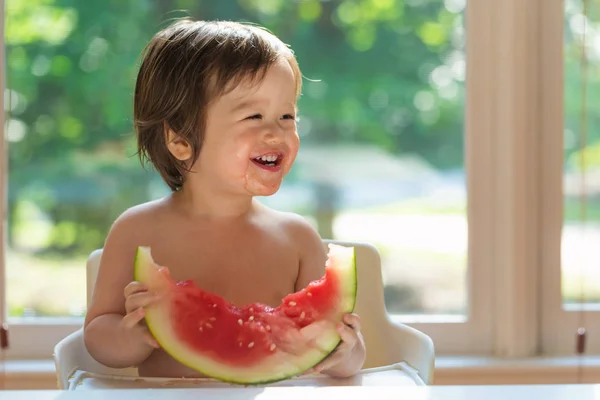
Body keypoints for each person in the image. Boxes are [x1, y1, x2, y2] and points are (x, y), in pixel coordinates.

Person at [83, 18, 366, 379]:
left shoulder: (297, 239)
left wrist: (345, 352)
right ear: (181, 140)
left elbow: (344, 356)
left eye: (286, 115)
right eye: (253, 116)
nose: (275, 131)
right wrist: (131, 335)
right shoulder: (136, 231)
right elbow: (96, 335)